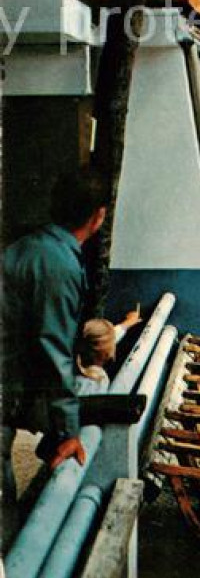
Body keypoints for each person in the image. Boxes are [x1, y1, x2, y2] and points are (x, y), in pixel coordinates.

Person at [2, 167, 109, 542]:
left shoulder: (29, 247)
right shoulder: (58, 265)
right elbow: (53, 353)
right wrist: (68, 431)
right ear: (99, 216)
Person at [73, 307, 141, 396]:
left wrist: (128, 323)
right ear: (107, 353)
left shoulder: (73, 355)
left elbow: (103, 339)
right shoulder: (96, 381)